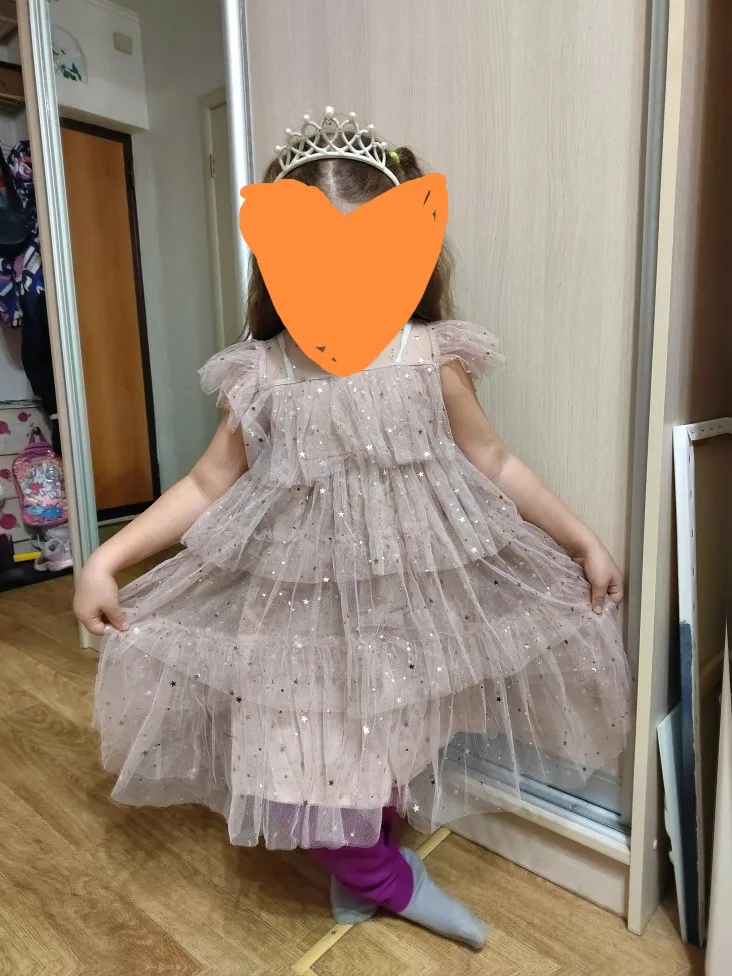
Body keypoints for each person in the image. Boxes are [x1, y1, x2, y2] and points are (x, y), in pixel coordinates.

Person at [74, 109, 632, 951]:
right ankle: (385, 878)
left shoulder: (427, 356)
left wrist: (579, 538)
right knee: (301, 772)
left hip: (403, 607)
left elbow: (493, 459)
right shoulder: (263, 372)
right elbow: (207, 482)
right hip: (297, 618)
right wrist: (105, 557)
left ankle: (360, 865)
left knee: (384, 745)